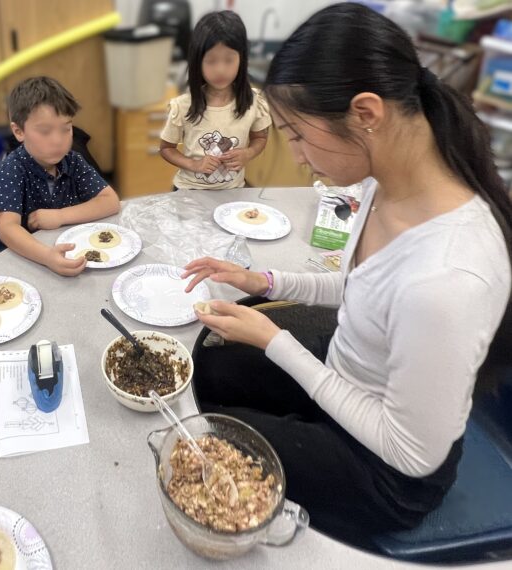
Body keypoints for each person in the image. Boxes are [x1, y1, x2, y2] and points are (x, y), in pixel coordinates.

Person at [182, 3, 512, 545]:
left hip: (388, 472)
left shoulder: (448, 278)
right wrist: (262, 283)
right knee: (204, 374)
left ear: (365, 113)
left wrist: (276, 341)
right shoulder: (385, 185)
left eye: (296, 134)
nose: (295, 156)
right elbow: (362, 286)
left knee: (202, 437)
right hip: (348, 375)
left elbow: (410, 451)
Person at [0, 77, 121, 276]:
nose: (58, 140)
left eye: (66, 128)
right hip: (24, 263)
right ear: (18, 131)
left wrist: (60, 216)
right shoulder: (12, 168)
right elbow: (7, 228)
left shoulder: (73, 161)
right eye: (45, 131)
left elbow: (110, 201)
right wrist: (47, 256)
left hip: (67, 252)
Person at [159, 11, 271, 190]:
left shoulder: (253, 101)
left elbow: (260, 137)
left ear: (242, 59)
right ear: (198, 62)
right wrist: (194, 165)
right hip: (189, 191)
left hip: (233, 192)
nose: (220, 69)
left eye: (229, 60)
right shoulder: (183, 106)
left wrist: (248, 153)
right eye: (211, 61)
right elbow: (166, 148)